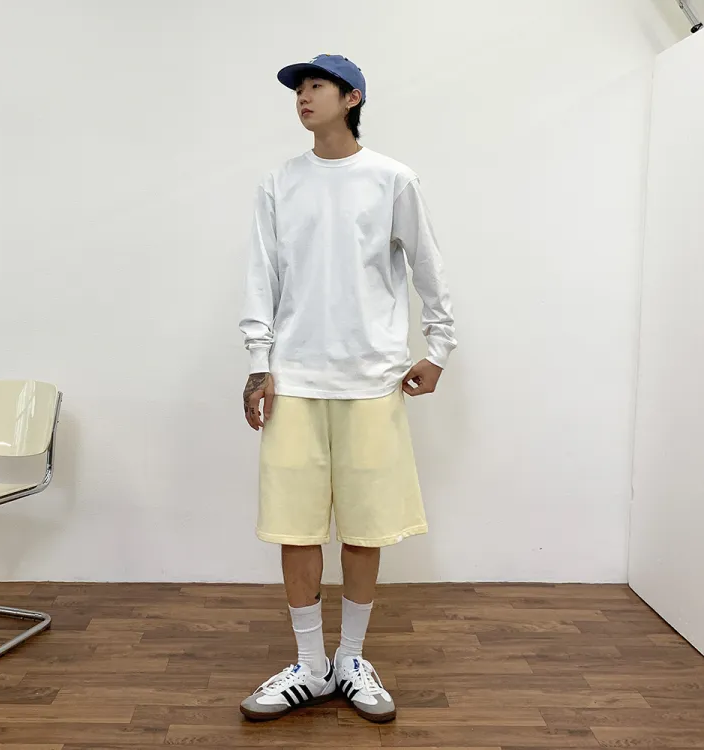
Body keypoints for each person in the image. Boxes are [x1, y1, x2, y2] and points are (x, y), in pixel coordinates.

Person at [238, 54, 456, 724]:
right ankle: (310, 666)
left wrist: (439, 349)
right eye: (298, 89)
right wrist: (258, 361)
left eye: (316, 86)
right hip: (295, 380)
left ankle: (351, 660)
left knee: (365, 528)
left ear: (351, 97)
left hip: (371, 379)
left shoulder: (391, 178)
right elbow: (262, 274)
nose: (302, 97)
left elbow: (427, 264)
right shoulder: (280, 182)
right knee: (296, 528)